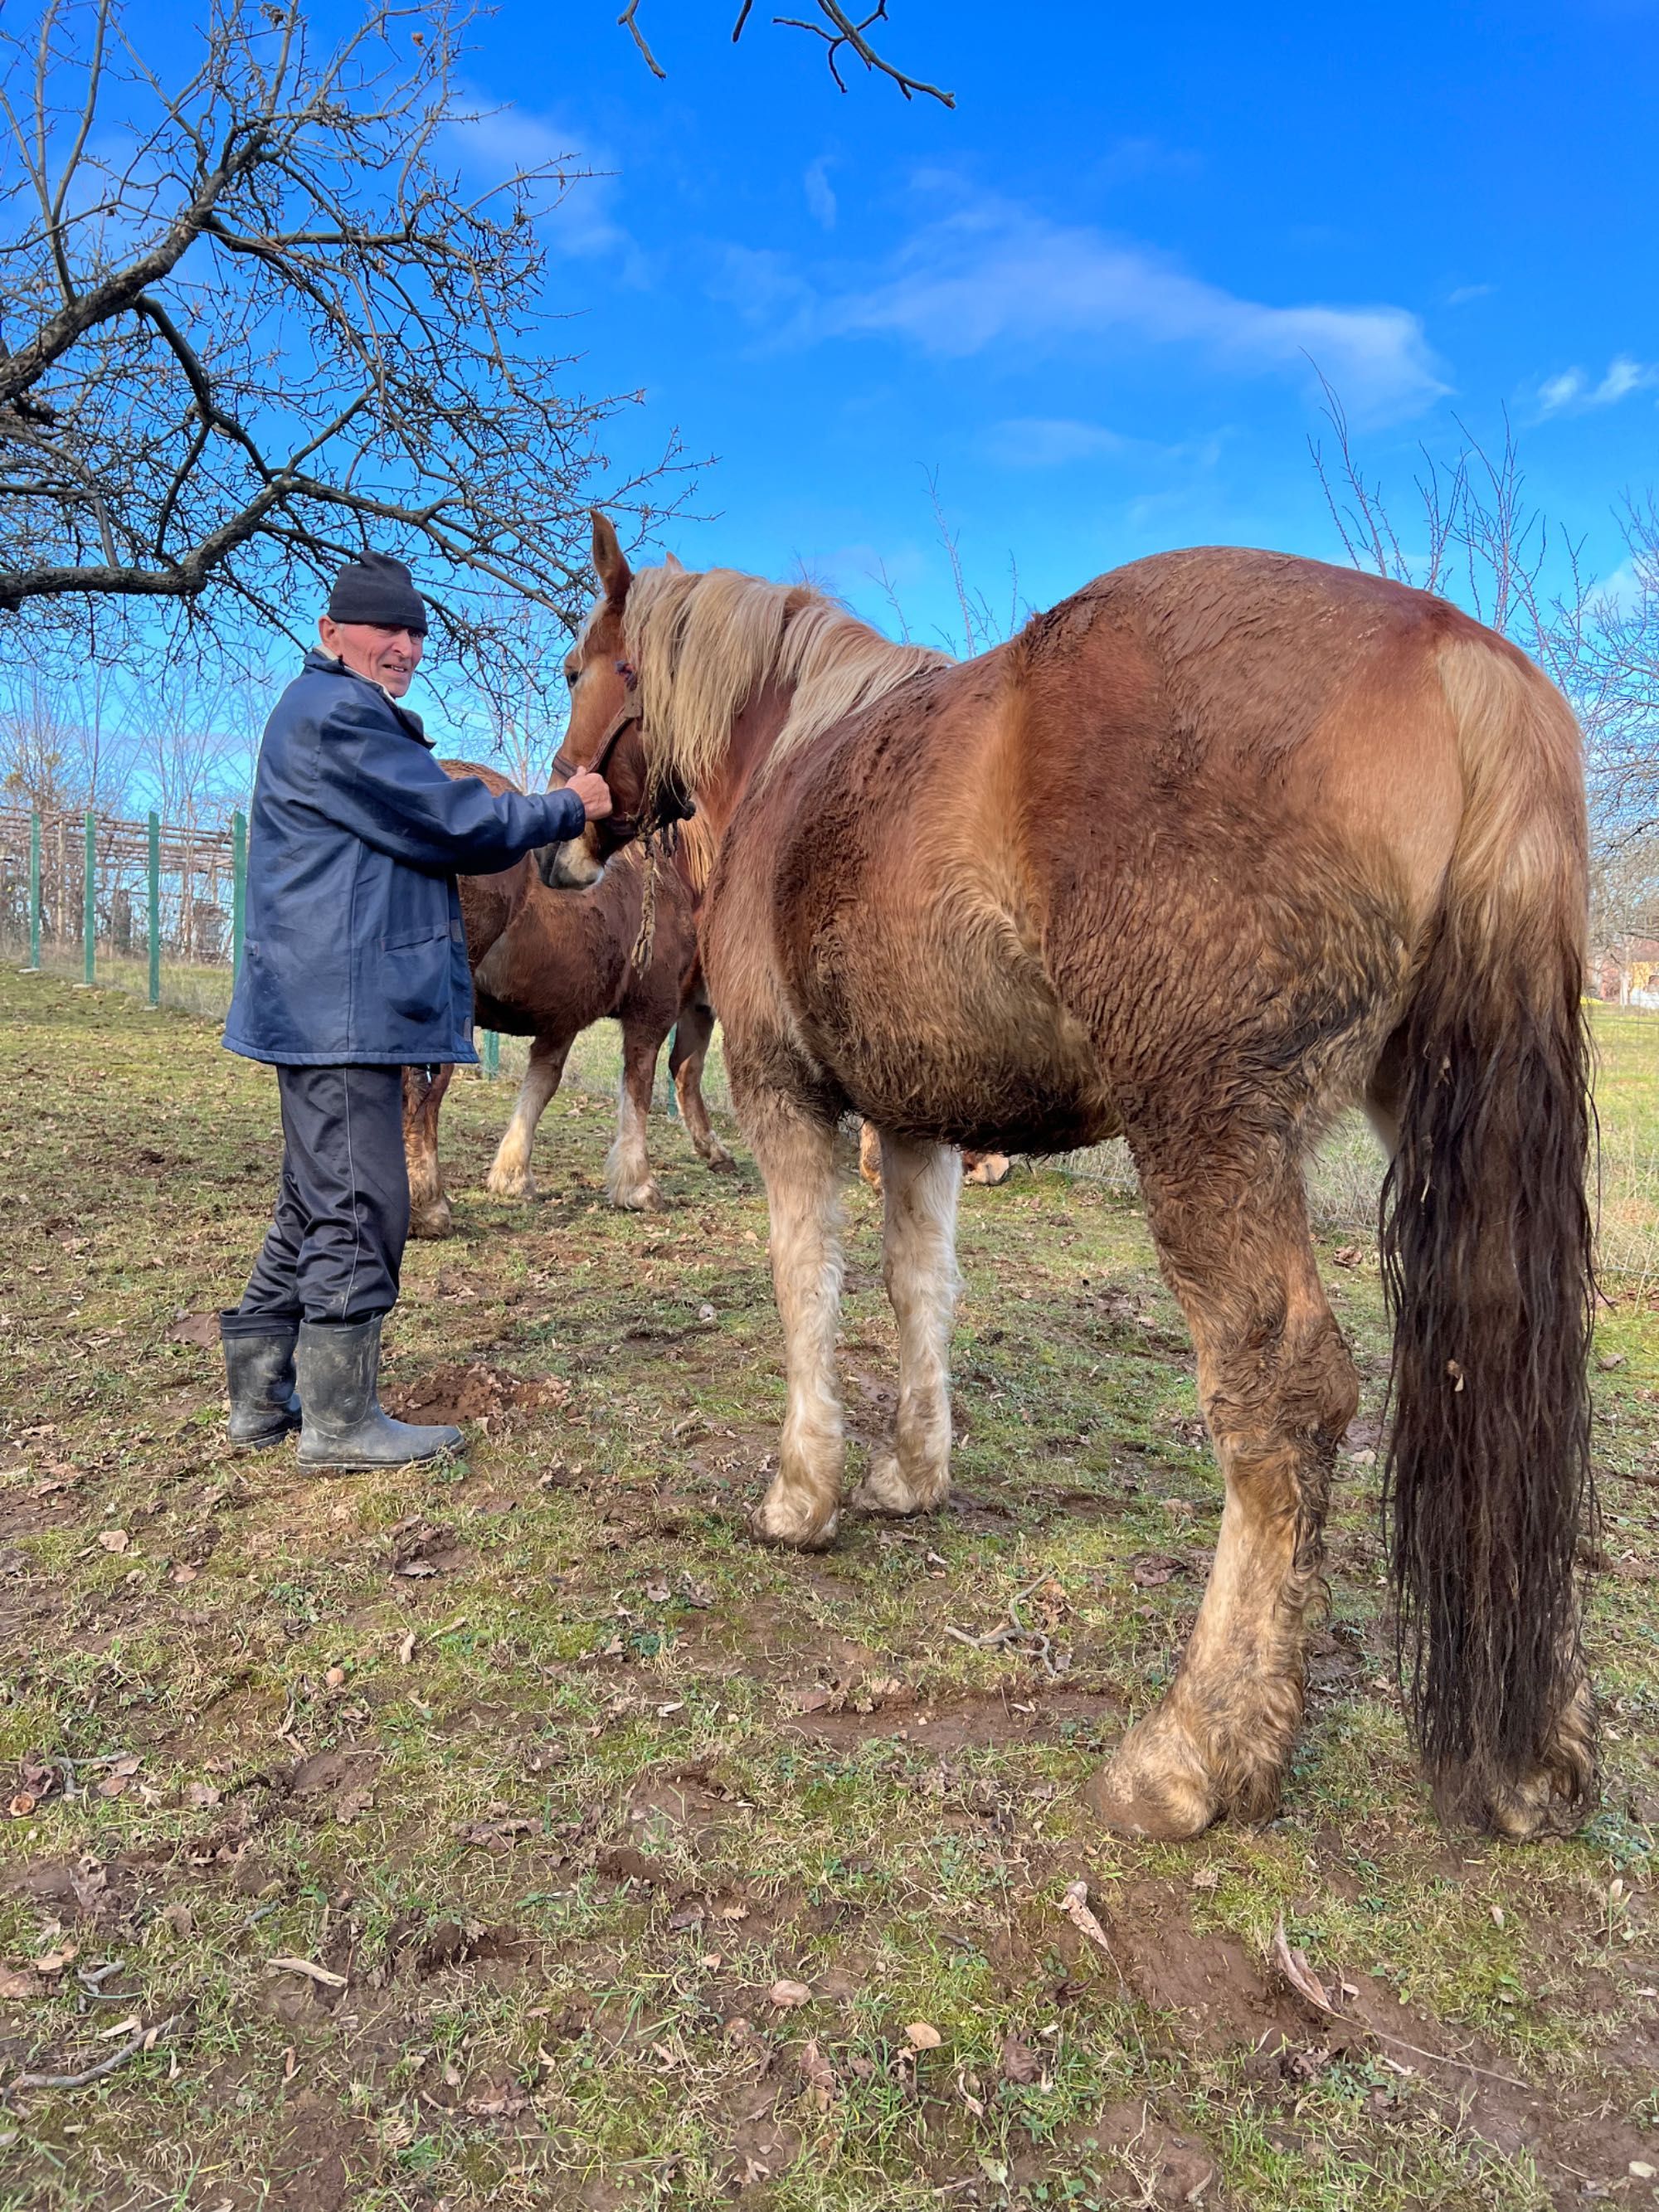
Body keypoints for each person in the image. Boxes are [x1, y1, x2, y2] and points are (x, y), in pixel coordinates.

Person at [219, 552, 612, 1470]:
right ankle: (342, 1421)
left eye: (413, 631)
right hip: (339, 1008)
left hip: (325, 1001)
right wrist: (568, 806)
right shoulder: (340, 717)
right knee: (363, 1205)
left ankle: (258, 1393)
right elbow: (454, 823)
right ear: (331, 635)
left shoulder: (326, 712)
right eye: (382, 629)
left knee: (313, 1203)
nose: (402, 646)